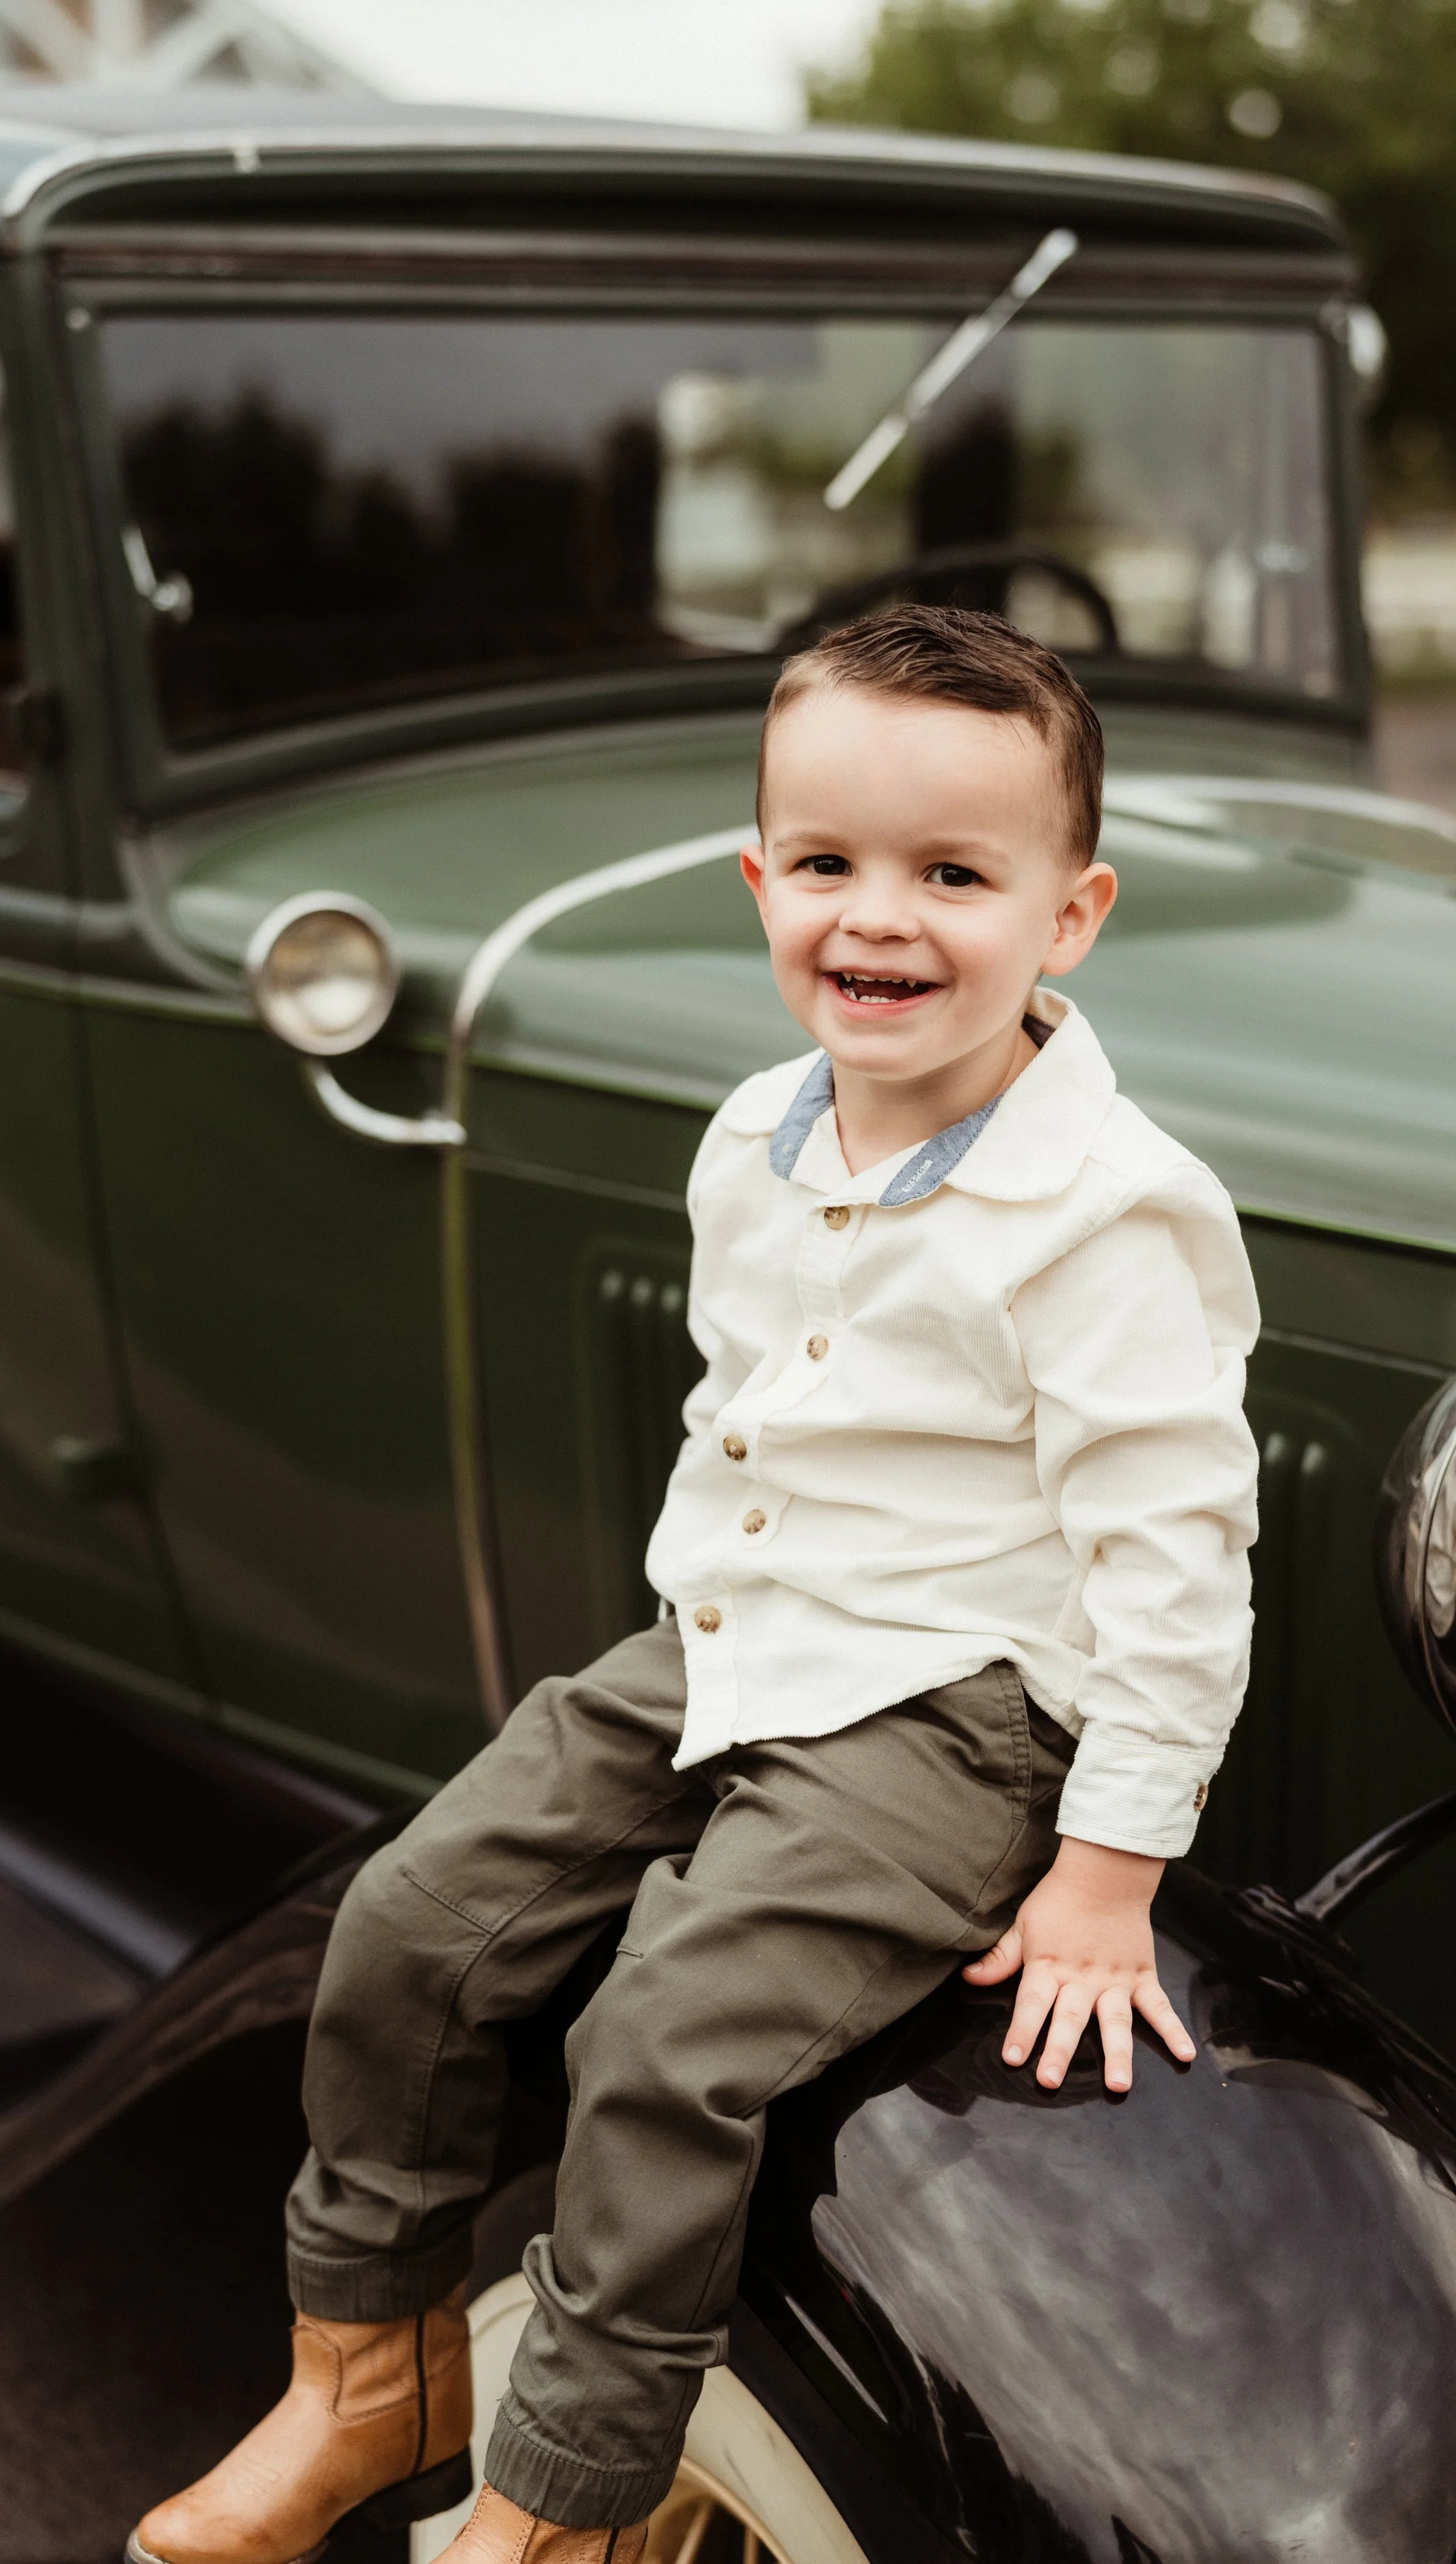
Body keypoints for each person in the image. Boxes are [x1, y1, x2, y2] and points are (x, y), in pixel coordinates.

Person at [129, 606, 1260, 2564]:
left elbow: (1176, 1554)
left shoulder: (1109, 1210)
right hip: (730, 1647)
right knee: (409, 1917)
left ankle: (557, 2499)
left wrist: (1106, 1866)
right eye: (826, 863)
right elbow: (753, 1426)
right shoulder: (758, 1131)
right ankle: (363, 2370)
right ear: (759, 879)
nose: (876, 918)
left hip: (950, 1706)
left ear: (1067, 918)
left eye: (951, 874)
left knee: (662, 2032)